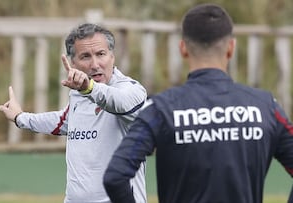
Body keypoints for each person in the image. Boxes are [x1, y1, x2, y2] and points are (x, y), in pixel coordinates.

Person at [103, 3, 293, 203]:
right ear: (231, 48)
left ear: (183, 48)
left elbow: (115, 177)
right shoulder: (265, 107)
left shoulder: (161, 109)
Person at [0, 23, 147, 203]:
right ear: (73, 63)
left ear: (112, 56)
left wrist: (89, 88)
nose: (95, 64)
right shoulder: (79, 95)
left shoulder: (131, 90)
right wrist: (20, 117)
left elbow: (120, 103)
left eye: (101, 54)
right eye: (85, 56)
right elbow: (62, 120)